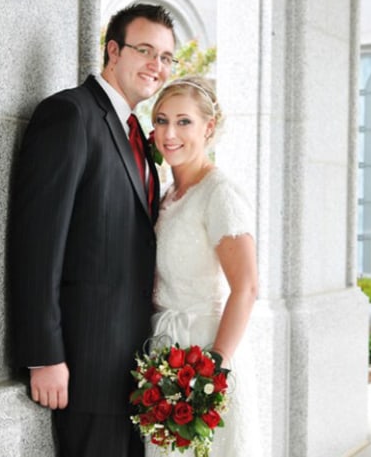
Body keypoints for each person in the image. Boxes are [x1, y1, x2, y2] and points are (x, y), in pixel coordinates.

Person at [7, 4, 175, 457]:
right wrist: (44, 355)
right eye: (145, 50)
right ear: (113, 50)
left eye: (165, 57)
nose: (156, 66)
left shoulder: (139, 136)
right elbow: (37, 244)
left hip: (133, 374)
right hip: (83, 368)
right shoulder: (69, 115)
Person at [147, 76, 262, 456]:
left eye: (184, 121)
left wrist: (213, 372)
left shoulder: (220, 194)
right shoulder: (167, 194)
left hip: (205, 355)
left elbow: (246, 288)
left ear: (208, 127)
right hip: (164, 353)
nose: (169, 132)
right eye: (161, 120)